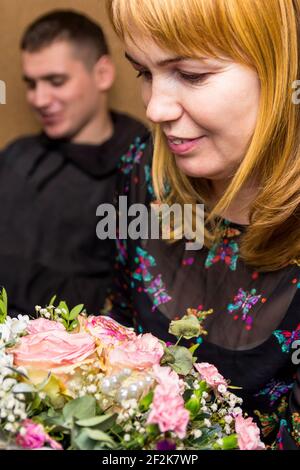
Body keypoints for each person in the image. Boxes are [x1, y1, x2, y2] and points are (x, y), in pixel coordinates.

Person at [106, 0, 300, 449]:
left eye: (191, 75)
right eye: (143, 72)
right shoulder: (142, 173)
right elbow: (118, 333)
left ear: (278, 67)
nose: (155, 109)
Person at [0, 10, 147, 315]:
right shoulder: (16, 156)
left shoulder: (143, 172)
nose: (39, 99)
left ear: (102, 74)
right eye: (31, 84)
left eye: (56, 81)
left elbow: (131, 300)